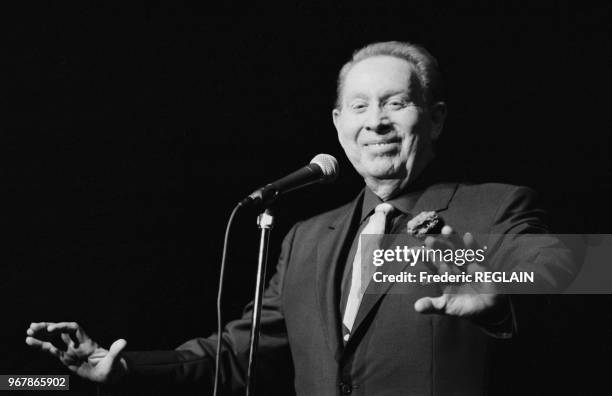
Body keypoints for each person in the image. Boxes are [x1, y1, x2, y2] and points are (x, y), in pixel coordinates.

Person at [26, 41, 577, 395]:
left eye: (395, 104)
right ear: (339, 126)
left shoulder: (496, 205)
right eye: (360, 107)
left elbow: (567, 267)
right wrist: (120, 367)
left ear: (433, 120)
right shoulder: (308, 238)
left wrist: (494, 281)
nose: (376, 123)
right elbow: (240, 353)